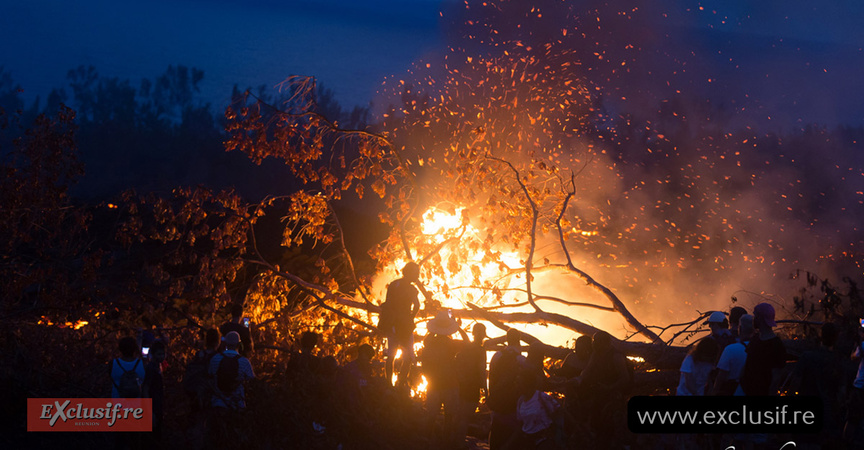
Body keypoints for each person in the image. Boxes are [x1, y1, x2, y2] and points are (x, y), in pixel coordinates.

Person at [792, 322, 844, 448]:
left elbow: (795, 383)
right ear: (836, 338)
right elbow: (841, 390)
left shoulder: (807, 357)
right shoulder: (839, 361)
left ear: (821, 335)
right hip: (828, 413)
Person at [380, 261, 426, 388]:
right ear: (410, 273)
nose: (417, 276)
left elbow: (387, 303)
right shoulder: (411, 289)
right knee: (409, 355)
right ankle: (400, 382)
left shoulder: (394, 285)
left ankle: (388, 382)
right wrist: (411, 317)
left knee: (391, 355)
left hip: (391, 323)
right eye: (416, 273)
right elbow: (416, 305)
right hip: (404, 325)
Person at [421, 311, 461, 449]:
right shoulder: (451, 344)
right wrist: (459, 327)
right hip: (449, 384)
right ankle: (446, 444)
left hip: (433, 384)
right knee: (449, 417)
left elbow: (424, 365)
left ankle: (425, 440)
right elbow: (468, 344)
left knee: (431, 416)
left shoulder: (428, 344)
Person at [487, 328, 527, 450]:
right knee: (511, 435)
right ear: (518, 340)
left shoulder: (496, 356)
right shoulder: (521, 359)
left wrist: (491, 395)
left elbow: (491, 376)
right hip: (513, 404)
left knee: (496, 431)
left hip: (497, 400)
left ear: (507, 339)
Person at [739, 303, 787, 396]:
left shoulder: (776, 345)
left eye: (755, 316)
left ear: (760, 318)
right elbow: (746, 367)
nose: (754, 319)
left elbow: (776, 377)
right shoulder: (755, 339)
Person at [454, 322, 487, 443]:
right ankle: (459, 442)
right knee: (465, 417)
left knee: (459, 415)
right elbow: (481, 370)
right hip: (472, 387)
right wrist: (486, 389)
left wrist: (457, 326)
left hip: (461, 384)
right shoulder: (481, 350)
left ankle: (453, 440)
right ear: (483, 335)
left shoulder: (467, 346)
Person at [209, 331, 255, 410]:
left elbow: (210, 376)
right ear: (239, 345)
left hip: (218, 403)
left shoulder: (215, 359)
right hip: (237, 403)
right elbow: (252, 381)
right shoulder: (244, 362)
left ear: (225, 343)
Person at [712, 314, 753, 396]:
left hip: (732, 391)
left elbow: (721, 376)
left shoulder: (730, 349)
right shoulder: (761, 349)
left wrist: (714, 391)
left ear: (740, 329)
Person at [844, 320, 864, 448]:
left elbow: (854, 357)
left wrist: (858, 343)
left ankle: (846, 444)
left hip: (860, 387)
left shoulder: (863, 345)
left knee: (852, 418)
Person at [143, 340, 167, 444]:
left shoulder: (158, 366)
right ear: (153, 354)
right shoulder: (151, 369)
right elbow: (145, 389)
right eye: (159, 354)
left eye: (163, 354)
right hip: (153, 406)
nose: (161, 356)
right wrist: (149, 412)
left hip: (158, 405)